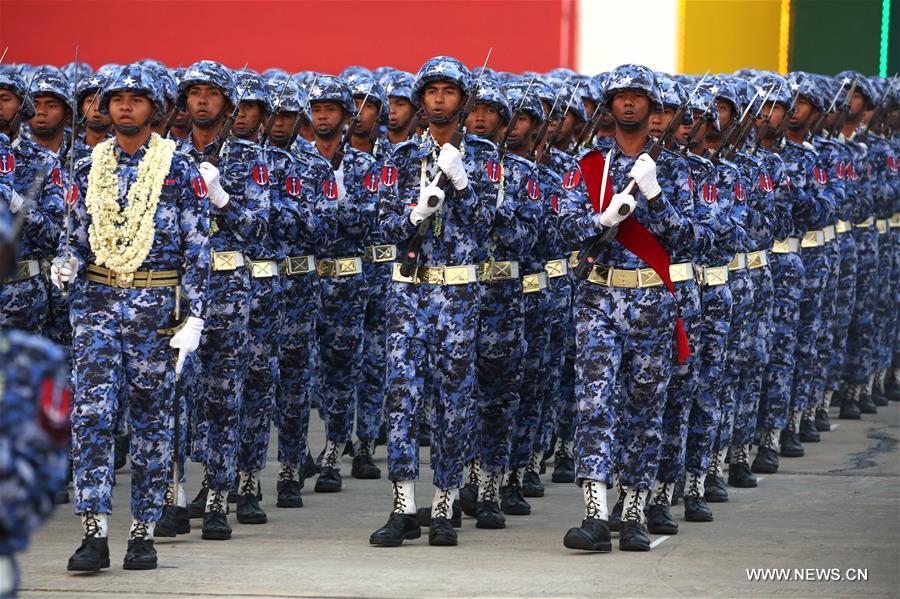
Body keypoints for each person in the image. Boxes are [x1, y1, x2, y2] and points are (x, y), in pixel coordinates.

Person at [53, 64, 209, 570]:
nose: (123, 106)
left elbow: (197, 247)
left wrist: (196, 317)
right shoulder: (86, 166)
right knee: (92, 419)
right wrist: (65, 265)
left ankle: (142, 531)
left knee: (151, 423)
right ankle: (93, 532)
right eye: (116, 98)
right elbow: (73, 237)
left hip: (155, 311)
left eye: (136, 99)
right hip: (97, 306)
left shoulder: (178, 166)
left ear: (157, 108)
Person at [558, 64, 693, 552]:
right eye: (620, 97)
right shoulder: (589, 164)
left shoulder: (675, 168)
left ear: (653, 107)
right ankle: (594, 514)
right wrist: (600, 219)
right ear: (609, 107)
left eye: (639, 97)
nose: (629, 104)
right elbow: (562, 227)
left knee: (644, 407)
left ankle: (633, 511)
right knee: (594, 404)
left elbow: (688, 241)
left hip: (651, 297)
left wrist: (656, 197)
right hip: (598, 296)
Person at [369, 56, 498, 547]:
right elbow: (380, 227)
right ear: (422, 100)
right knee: (402, 396)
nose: (439, 99)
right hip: (408, 290)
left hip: (458, 294)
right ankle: (403, 506)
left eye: (449, 91)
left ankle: (444, 505)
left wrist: (463, 184)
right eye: (432, 91)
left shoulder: (485, 157)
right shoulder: (400, 159)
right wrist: (413, 214)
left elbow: (492, 228)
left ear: (464, 100)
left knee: (453, 400)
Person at [177, 60, 269, 540]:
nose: (201, 100)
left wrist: (222, 199)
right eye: (194, 92)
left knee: (223, 394)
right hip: (176, 288)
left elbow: (260, 227)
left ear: (228, 103)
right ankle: (173, 495)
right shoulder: (167, 156)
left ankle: (217, 496)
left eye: (210, 92)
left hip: (228, 287)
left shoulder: (249, 159)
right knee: (174, 393)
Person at [307, 74, 377, 492]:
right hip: (303, 279)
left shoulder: (365, 167)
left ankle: (334, 448)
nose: (321, 116)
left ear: (346, 117)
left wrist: (332, 201)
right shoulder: (298, 163)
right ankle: (298, 451)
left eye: (330, 109)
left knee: (342, 370)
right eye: (316, 110)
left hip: (349, 281)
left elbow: (368, 221)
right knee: (301, 373)